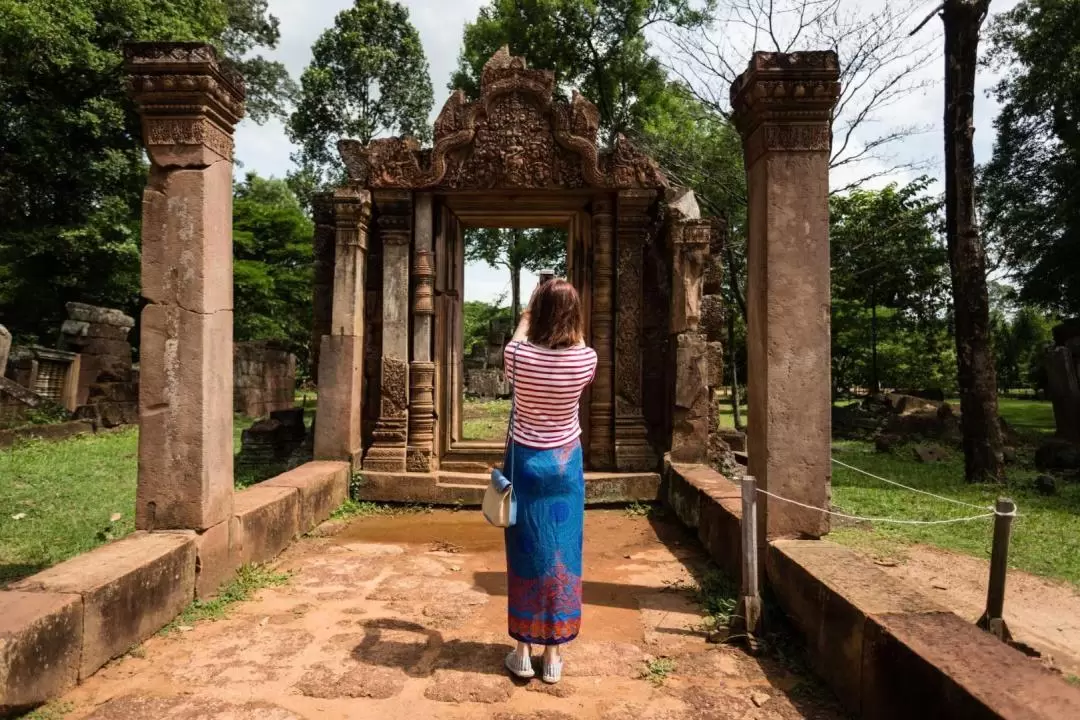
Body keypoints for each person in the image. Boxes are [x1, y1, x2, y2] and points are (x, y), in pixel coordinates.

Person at [500, 278, 597, 685]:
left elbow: (519, 342)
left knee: (525, 554)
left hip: (525, 462)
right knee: (561, 555)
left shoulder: (517, 356)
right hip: (565, 464)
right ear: (574, 316)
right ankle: (553, 655)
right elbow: (574, 346)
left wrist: (526, 320)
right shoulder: (586, 358)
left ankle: (523, 653)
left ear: (536, 314)